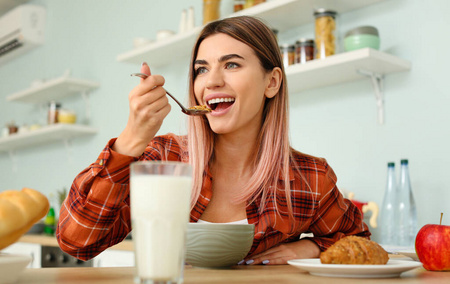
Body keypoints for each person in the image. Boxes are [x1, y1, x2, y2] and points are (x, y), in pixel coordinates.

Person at [56, 16, 370, 265]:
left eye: (231, 64)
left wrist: (311, 248)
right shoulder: (164, 159)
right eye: (201, 69)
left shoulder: (309, 178)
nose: (212, 81)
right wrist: (132, 138)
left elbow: (359, 242)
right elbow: (77, 242)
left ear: (272, 82)